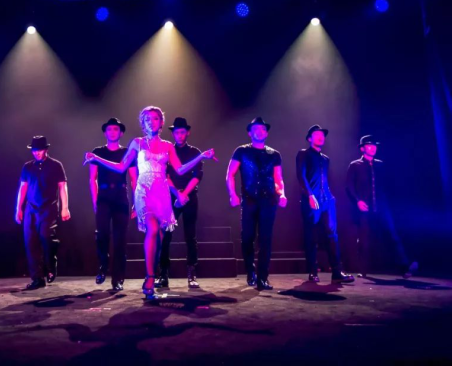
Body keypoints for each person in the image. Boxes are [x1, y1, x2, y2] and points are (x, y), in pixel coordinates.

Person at [84, 106, 215, 299]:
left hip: (161, 192)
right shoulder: (137, 143)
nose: (151, 122)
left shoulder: (168, 146)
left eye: (155, 119)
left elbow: (179, 170)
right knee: (152, 229)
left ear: (161, 123)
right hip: (144, 190)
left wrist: (201, 156)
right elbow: (121, 167)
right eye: (147, 119)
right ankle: (150, 277)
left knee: (159, 237)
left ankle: (153, 272)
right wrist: (96, 158)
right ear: (142, 123)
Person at [226, 117, 288, 290]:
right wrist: (232, 194)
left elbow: (278, 178)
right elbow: (230, 174)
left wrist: (282, 193)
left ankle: (263, 278)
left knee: (266, 239)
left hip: (269, 201)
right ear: (249, 133)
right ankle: (250, 271)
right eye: (255, 129)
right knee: (247, 238)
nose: (259, 131)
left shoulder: (274, 154)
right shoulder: (241, 151)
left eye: (262, 129)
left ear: (266, 133)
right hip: (249, 200)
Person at [346, 135, 418, 279]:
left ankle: (404, 268)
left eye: (374, 145)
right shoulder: (355, 165)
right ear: (362, 148)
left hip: (381, 206)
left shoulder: (380, 165)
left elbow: (388, 186)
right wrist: (358, 201)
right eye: (369, 145)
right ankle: (363, 270)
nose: (373, 148)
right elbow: (349, 186)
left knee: (392, 236)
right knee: (363, 239)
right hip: (364, 207)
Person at [296, 125, 354, 284]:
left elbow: (326, 180)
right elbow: (301, 176)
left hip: (327, 200)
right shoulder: (303, 154)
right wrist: (310, 195)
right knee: (311, 235)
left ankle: (337, 271)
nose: (320, 137)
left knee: (332, 235)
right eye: (317, 134)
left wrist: (331, 196)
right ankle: (312, 271)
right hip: (311, 199)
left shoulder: (325, 159)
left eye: (322, 135)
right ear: (309, 138)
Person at [16, 136, 71, 290]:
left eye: (39, 150)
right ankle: (37, 278)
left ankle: (51, 265)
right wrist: (18, 208)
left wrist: (65, 207)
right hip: (31, 209)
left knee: (46, 238)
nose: (36, 153)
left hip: (49, 207)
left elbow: (62, 186)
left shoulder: (55, 165)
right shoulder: (27, 167)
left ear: (46, 150)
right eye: (34, 150)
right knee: (30, 242)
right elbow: (23, 188)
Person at [89, 118, 138, 291]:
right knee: (102, 234)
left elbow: (134, 179)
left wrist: (136, 202)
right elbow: (92, 178)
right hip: (103, 197)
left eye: (115, 129)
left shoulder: (127, 152)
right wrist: (95, 201)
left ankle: (118, 279)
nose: (112, 132)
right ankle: (103, 264)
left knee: (120, 240)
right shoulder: (97, 152)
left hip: (120, 197)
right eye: (109, 129)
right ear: (105, 133)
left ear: (121, 133)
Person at [158, 117, 204, 289]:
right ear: (173, 133)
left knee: (190, 236)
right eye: (176, 132)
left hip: (189, 196)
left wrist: (184, 194)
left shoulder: (195, 151)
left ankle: (192, 274)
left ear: (187, 133)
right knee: (166, 234)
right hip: (171, 196)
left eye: (182, 132)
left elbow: (197, 176)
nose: (179, 135)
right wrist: (177, 194)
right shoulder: (167, 151)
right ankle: (163, 274)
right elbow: (165, 176)